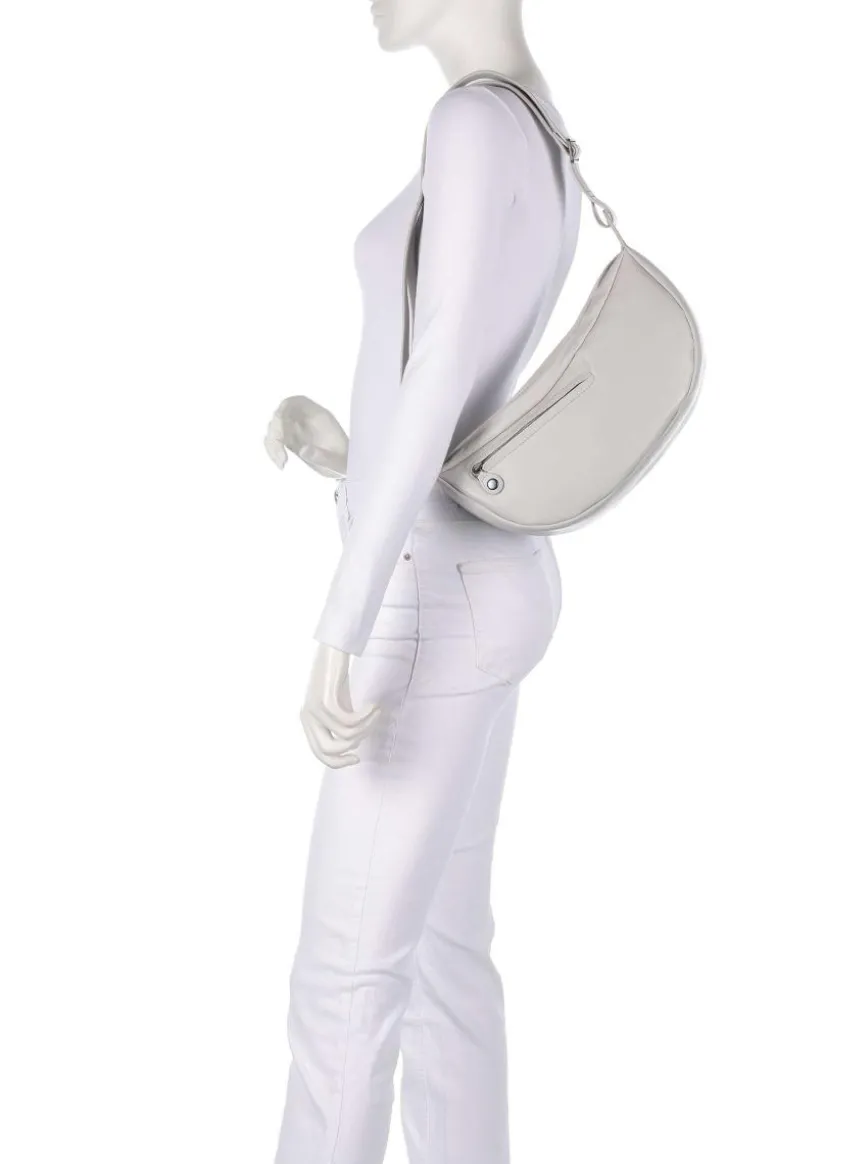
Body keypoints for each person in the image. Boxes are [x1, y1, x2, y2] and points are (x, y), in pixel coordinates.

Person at [266, 3, 582, 1160]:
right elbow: (457, 375)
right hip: (481, 581)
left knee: (343, 989)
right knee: (446, 961)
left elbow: (446, 359)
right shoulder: (535, 121)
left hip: (422, 608)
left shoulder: (470, 123)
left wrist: (340, 622)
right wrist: (352, 451)